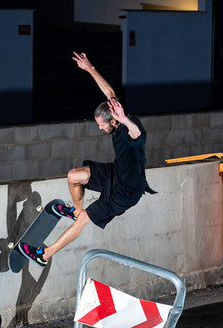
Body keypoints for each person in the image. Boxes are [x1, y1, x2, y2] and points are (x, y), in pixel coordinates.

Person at [19, 51, 156, 267]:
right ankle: (74, 210)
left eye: (102, 125)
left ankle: (44, 255)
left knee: (85, 218)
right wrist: (90, 68)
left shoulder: (131, 132)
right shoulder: (115, 112)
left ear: (114, 121)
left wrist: (125, 121)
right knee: (74, 176)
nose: (101, 128)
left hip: (126, 192)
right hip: (115, 173)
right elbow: (109, 90)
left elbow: (137, 133)